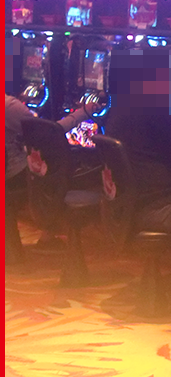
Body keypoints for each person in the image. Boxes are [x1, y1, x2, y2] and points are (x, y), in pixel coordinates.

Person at [5, 93, 100, 260]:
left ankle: (46, 235)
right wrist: (83, 112)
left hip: (8, 172)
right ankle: (49, 234)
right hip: (12, 175)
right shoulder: (9, 106)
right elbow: (51, 133)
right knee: (61, 165)